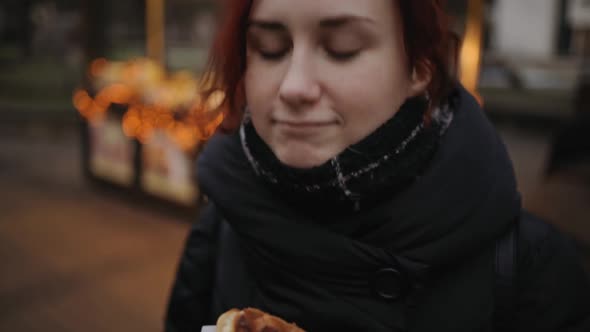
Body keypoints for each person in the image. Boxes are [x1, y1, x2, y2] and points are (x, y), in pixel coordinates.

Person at [165, 0, 590, 331]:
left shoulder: (532, 268)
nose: (294, 86)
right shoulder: (220, 226)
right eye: (270, 49)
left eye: (342, 49)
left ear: (418, 69)